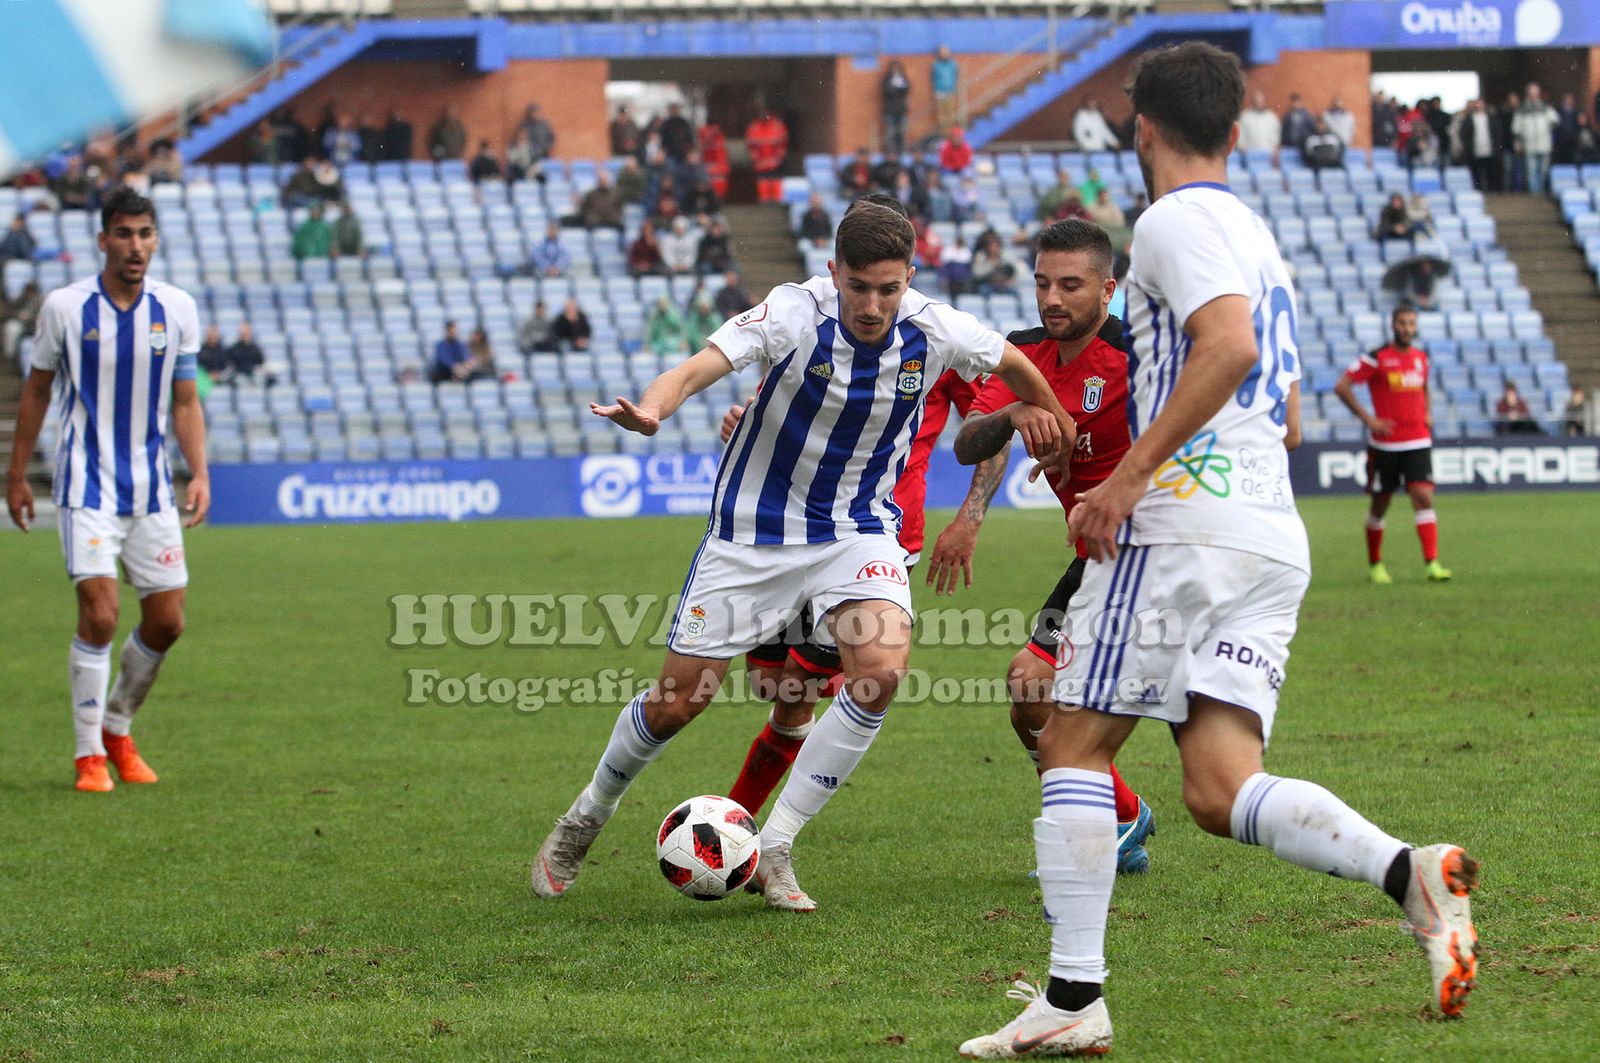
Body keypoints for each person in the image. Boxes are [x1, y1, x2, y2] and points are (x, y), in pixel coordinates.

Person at [960, 44, 1478, 1059]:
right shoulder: (1252, 230)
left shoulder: (1171, 219)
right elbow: (1279, 406)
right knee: (1216, 783)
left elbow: (1230, 347)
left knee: (1069, 744)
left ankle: (1072, 1000)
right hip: (1265, 533)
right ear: (1237, 131)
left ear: (1137, 125)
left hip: (1184, 526)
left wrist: (1127, 475)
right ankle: (1408, 872)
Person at [530, 197, 1077, 912]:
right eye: (859, 287)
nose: (874, 305)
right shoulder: (793, 312)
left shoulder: (936, 327)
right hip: (753, 532)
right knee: (677, 702)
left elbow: (1012, 362)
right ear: (833, 273)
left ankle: (779, 843)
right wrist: (655, 408)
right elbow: (701, 366)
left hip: (856, 528)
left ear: (910, 276)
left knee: (879, 669)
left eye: (890, 288)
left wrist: (1050, 415)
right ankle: (585, 815)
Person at [4, 187, 209, 794]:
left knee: (167, 621)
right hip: (85, 485)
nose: (135, 246)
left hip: (150, 489)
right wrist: (16, 475)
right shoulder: (66, 308)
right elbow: (37, 391)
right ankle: (88, 754)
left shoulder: (177, 309)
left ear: (155, 239)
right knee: (100, 613)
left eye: (145, 234)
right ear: (103, 240)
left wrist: (198, 471)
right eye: (123, 234)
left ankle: (118, 726)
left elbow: (186, 399)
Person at [1334, 304, 1452, 583]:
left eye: (1412, 323)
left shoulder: (1422, 358)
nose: (1408, 328)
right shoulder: (1376, 358)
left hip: (1418, 440)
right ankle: (1375, 564)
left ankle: (1432, 563)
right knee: (1380, 504)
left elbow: (1423, 387)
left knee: (1423, 497)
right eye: (1402, 323)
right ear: (1393, 325)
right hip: (1385, 445)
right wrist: (1369, 420)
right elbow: (1342, 386)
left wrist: (1427, 412)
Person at [1512, 84, 1559, 194]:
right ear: (1528, 94)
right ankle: (1534, 194)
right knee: (1531, 170)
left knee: (1543, 170)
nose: (1533, 95)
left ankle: (1541, 191)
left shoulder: (1546, 108)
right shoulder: (1521, 110)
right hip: (1529, 145)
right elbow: (1516, 128)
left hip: (1544, 144)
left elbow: (1555, 121)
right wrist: (1518, 143)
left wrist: (1548, 128)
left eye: (1535, 93)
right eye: (1531, 93)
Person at [746, 106, 790, 204]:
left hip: (775, 161)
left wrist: (780, 156)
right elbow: (751, 144)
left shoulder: (777, 125)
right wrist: (755, 157)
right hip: (761, 161)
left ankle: (777, 200)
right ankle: (765, 201)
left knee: (775, 180)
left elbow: (783, 141)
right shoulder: (754, 127)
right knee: (763, 181)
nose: (764, 116)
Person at [1460, 98, 1501, 192]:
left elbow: (1497, 133)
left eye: (1481, 104)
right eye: (1477, 104)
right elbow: (1464, 134)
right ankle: (1478, 190)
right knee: (1476, 172)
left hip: (1489, 149)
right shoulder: (1469, 118)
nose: (1479, 106)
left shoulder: (1491, 118)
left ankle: (1491, 189)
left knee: (1490, 171)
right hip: (1475, 150)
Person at [2, 280, 43, 368]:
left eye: (32, 290)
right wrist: (18, 315)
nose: (30, 292)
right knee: (11, 328)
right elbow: (8, 312)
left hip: (34, 326)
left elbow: (42, 317)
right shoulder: (20, 298)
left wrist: (30, 317)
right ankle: (11, 357)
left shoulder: (40, 301)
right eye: (28, 290)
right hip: (21, 324)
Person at [882, 60, 912, 156]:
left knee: (902, 131)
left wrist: (897, 90)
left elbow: (907, 89)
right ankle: (890, 152)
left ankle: (901, 151)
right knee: (890, 132)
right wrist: (898, 90)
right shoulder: (887, 79)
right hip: (890, 109)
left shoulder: (903, 78)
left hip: (901, 109)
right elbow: (888, 91)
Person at [1238, 90, 1280, 155]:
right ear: (1253, 102)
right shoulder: (1245, 116)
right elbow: (1241, 134)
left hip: (1268, 152)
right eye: (1256, 101)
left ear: (1264, 102)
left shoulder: (1271, 117)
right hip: (1250, 153)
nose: (1259, 104)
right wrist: (1241, 146)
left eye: (1261, 102)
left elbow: (1276, 134)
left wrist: (1276, 147)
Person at [932, 45, 960, 131]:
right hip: (940, 91)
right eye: (943, 52)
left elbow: (956, 76)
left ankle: (951, 132)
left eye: (946, 52)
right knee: (941, 114)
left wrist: (955, 87)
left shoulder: (953, 64)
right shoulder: (936, 65)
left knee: (951, 112)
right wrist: (935, 88)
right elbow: (933, 78)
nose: (945, 54)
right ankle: (944, 133)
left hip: (950, 90)